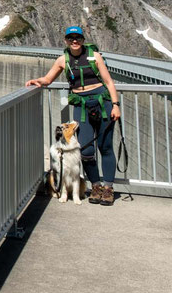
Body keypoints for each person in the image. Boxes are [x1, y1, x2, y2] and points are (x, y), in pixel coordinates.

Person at [26, 26, 121, 206]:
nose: (74, 41)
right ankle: (96, 186)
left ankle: (108, 188)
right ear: (66, 41)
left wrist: (115, 105)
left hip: (103, 104)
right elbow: (48, 79)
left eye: (77, 38)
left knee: (105, 146)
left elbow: (108, 81)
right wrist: (37, 81)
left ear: (83, 40)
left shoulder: (95, 56)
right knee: (85, 151)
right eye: (71, 38)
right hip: (81, 105)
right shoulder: (63, 60)